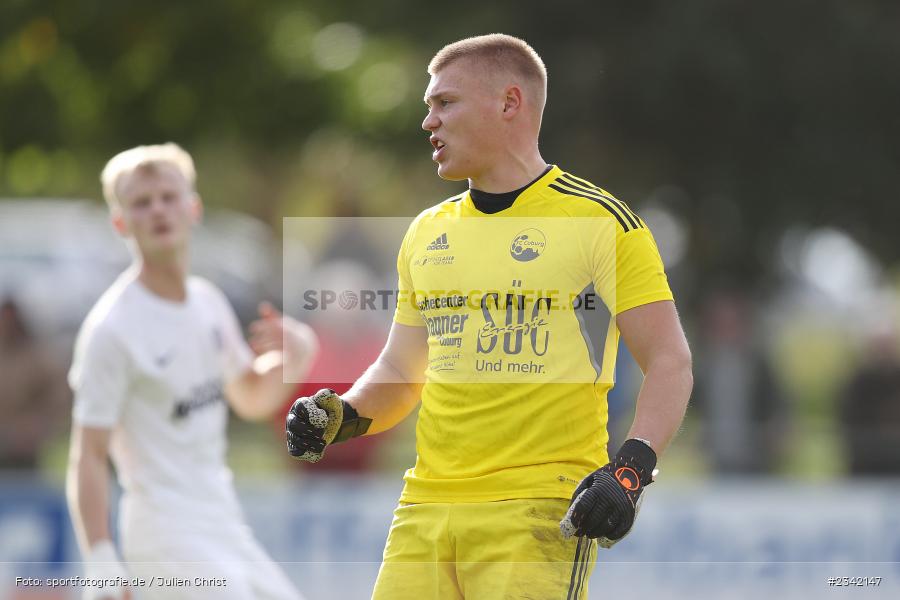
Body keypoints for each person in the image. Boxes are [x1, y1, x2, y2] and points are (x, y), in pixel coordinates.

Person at [286, 34, 693, 599]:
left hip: (537, 510)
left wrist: (629, 473)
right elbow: (401, 371)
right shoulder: (425, 232)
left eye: (445, 103)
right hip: (424, 510)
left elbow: (670, 361)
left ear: (509, 103)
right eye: (429, 106)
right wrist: (341, 414)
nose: (429, 121)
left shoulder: (601, 221)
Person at [66, 143, 317, 600]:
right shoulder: (111, 330)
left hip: (224, 523)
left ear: (193, 209)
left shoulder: (207, 302)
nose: (158, 210)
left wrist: (296, 357)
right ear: (121, 223)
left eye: (168, 197)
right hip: (164, 535)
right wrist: (100, 560)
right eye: (141, 202)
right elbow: (88, 455)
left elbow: (249, 397)